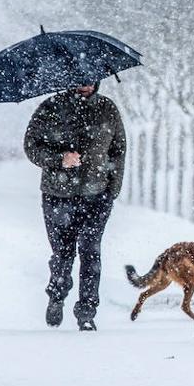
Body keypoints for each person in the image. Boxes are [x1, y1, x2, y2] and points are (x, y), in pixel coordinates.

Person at [23, 81, 126, 331]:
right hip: (58, 195)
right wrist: (59, 159)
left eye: (90, 78)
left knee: (91, 252)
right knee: (63, 253)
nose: (86, 84)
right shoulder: (51, 107)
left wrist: (112, 191)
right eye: (80, 79)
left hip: (97, 195)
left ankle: (87, 312)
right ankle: (57, 294)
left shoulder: (107, 109)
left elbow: (118, 151)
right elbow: (31, 146)